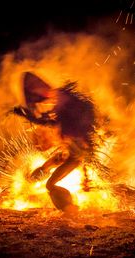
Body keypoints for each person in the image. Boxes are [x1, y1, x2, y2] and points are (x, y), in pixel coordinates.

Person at [13, 72, 96, 212]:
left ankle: (70, 208)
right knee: (45, 168)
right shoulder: (68, 116)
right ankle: (27, 184)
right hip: (67, 154)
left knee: (50, 185)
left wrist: (28, 116)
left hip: (73, 158)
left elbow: (49, 122)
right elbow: (50, 122)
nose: (53, 102)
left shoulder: (70, 118)